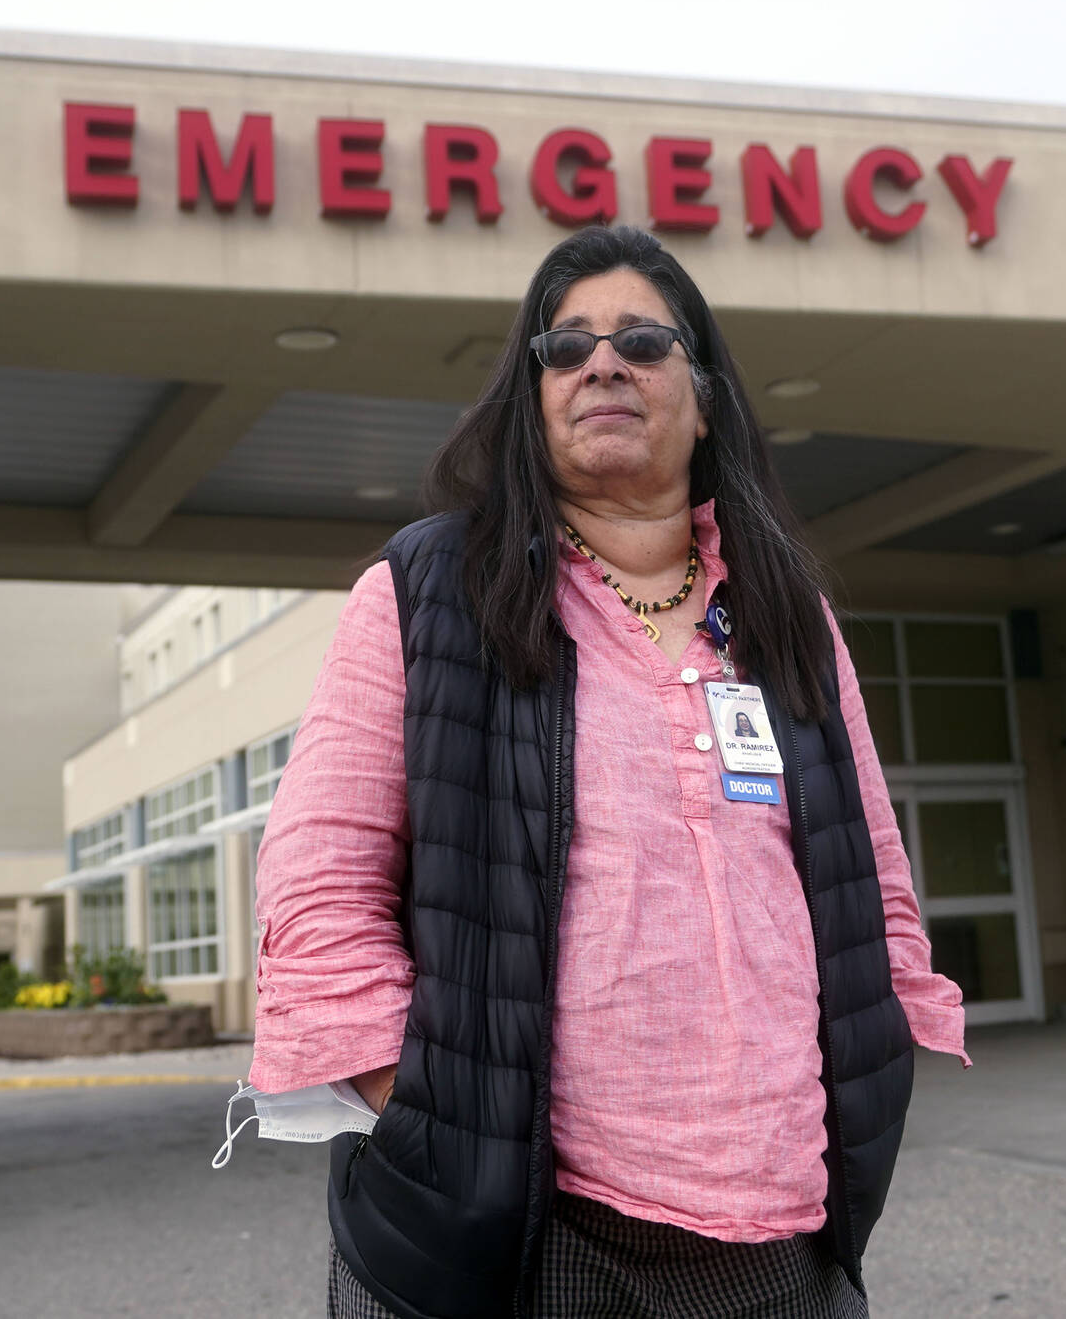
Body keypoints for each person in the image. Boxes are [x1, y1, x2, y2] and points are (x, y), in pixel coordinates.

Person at [249, 225, 967, 1319]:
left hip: (784, 1229)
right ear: (527, 397)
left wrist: (874, 1066)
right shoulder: (426, 590)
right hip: (521, 1234)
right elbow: (319, 881)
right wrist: (428, 1111)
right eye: (562, 346)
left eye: (641, 339)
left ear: (707, 395)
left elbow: (872, 874)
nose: (600, 363)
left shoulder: (787, 618)